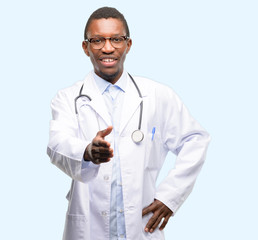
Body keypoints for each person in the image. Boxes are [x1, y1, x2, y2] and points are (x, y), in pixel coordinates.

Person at [47, 6, 210, 240]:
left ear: (128, 44)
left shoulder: (158, 95)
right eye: (97, 40)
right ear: (85, 47)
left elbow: (196, 139)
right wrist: (87, 152)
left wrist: (170, 196)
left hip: (141, 227)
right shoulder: (67, 98)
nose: (107, 48)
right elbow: (56, 145)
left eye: (116, 39)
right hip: (89, 230)